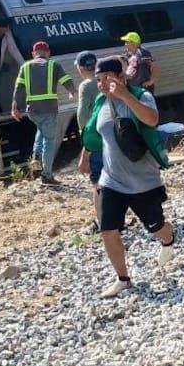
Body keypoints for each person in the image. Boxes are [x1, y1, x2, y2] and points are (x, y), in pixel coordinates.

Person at [78, 57, 175, 298]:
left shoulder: (141, 96)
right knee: (107, 229)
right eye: (98, 80)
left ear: (121, 78)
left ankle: (169, 239)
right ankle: (123, 279)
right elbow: (94, 131)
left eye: (107, 79)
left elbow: (152, 120)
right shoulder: (100, 102)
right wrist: (85, 155)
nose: (101, 85)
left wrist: (125, 96)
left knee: (156, 227)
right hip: (111, 180)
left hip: (143, 181)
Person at [11, 41, 77, 186]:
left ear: (33, 54)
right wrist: (72, 91)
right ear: (48, 52)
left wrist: (15, 107)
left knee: (40, 130)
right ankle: (47, 175)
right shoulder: (54, 65)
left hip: (32, 110)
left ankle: (36, 156)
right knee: (49, 140)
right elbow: (66, 80)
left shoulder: (25, 66)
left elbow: (19, 88)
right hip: (49, 108)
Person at [74, 51, 102, 232]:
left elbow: (83, 113)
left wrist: (84, 139)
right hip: (111, 135)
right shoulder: (104, 81)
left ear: (81, 68)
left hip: (96, 137)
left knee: (98, 181)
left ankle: (102, 221)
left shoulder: (86, 85)